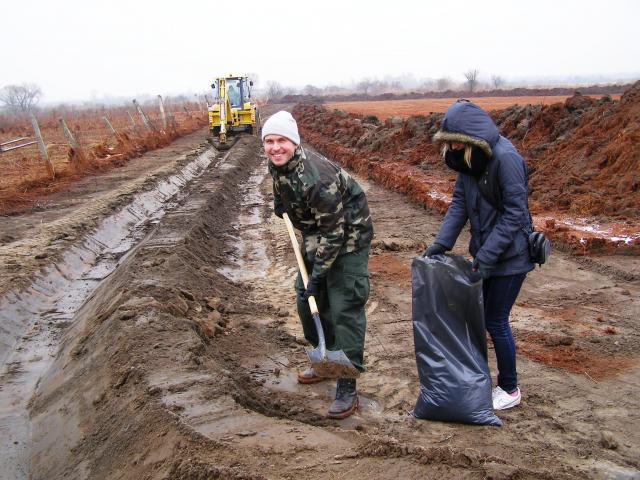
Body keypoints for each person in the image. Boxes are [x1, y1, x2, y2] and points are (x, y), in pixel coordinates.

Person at [424, 99, 534, 411]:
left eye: (456, 141)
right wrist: (441, 244)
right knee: (480, 319)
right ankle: (478, 377)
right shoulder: (469, 161)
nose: (453, 147)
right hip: (488, 254)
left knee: (495, 319)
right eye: (450, 142)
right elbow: (459, 203)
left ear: (471, 136)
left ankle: (510, 388)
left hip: (512, 257)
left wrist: (486, 257)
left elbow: (515, 214)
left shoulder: (505, 159)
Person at [262, 111, 373, 419]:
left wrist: (319, 275)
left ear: (294, 143)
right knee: (306, 300)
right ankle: (326, 360)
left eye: (281, 140)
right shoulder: (278, 166)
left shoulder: (318, 178)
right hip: (318, 233)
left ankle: (348, 383)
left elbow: (334, 234)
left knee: (343, 305)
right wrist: (279, 205)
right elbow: (287, 194)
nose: (275, 148)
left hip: (347, 237)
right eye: (269, 141)